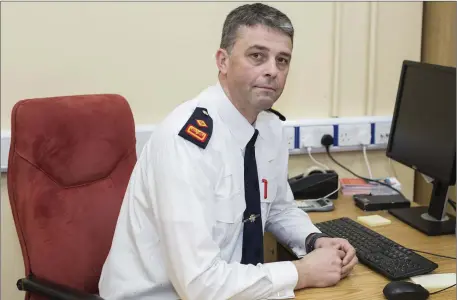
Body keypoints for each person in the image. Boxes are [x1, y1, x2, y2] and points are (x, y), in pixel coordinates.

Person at [99, 3, 358, 300]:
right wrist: (302, 272)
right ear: (223, 61)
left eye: (282, 60)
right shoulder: (185, 143)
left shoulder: (270, 128)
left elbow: (278, 208)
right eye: (257, 56)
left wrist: (314, 241)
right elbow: (199, 285)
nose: (272, 70)